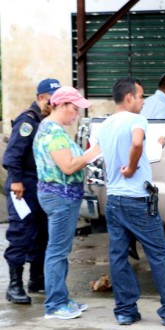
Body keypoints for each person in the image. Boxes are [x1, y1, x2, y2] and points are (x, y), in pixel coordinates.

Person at [93, 77, 165, 326]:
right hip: (137, 200)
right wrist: (133, 165)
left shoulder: (105, 125)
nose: (143, 101)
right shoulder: (136, 120)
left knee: (118, 256)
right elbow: (137, 142)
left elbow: (98, 155)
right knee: (159, 255)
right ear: (129, 97)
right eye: (140, 96)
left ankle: (125, 311)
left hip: (114, 200)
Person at [33, 86, 100, 319]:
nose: (76, 114)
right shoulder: (53, 133)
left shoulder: (52, 128)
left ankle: (61, 299)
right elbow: (68, 166)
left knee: (59, 250)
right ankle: (54, 305)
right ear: (61, 105)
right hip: (60, 198)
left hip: (61, 197)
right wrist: (94, 152)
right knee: (57, 252)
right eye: (74, 109)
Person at [3, 78, 60, 304]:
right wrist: (16, 180)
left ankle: (36, 280)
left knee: (42, 234)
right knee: (21, 233)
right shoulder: (28, 121)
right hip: (22, 186)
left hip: (40, 185)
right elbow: (12, 155)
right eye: (52, 99)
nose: (54, 104)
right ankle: (14, 285)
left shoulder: (48, 122)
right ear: (41, 98)